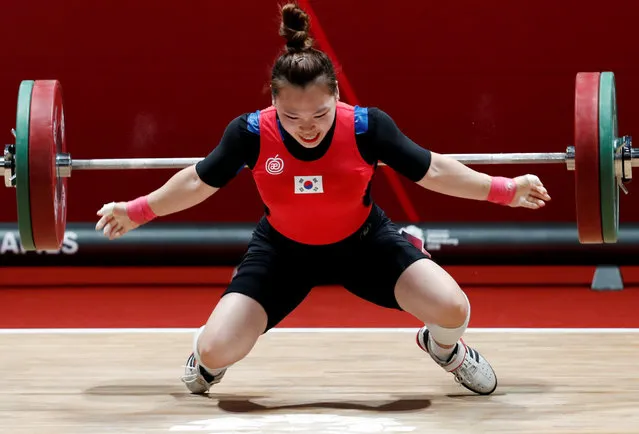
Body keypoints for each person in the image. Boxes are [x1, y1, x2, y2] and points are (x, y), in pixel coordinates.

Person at [96, 2, 551, 396]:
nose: (307, 125)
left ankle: (445, 350)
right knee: (215, 350)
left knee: (454, 309)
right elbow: (197, 182)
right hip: (281, 253)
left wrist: (505, 190)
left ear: (337, 95)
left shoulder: (367, 127)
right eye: (291, 115)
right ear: (273, 103)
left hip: (365, 244)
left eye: (320, 112)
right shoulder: (251, 134)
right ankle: (209, 362)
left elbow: (432, 169)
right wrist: (136, 212)